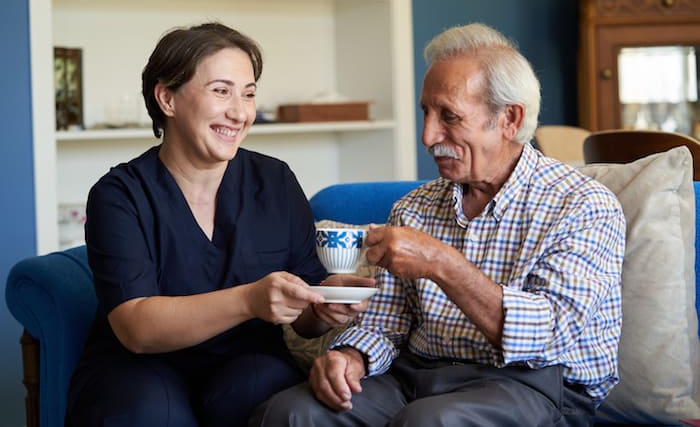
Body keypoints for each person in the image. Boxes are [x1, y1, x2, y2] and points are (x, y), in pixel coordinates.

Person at [250, 23, 626, 427]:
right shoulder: (414, 208)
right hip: (417, 373)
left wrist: (442, 263)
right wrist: (350, 356)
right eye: (426, 113)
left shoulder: (583, 206)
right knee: (290, 413)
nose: (428, 136)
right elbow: (385, 323)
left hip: (534, 384)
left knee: (430, 422)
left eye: (449, 116)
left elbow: (551, 334)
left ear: (510, 120)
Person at [65, 22, 374, 427]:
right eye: (221, 91)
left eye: (248, 94)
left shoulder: (275, 181)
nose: (240, 112)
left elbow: (304, 315)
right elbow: (136, 327)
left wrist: (326, 304)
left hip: (246, 362)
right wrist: (249, 300)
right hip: (139, 366)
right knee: (153, 410)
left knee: (272, 394)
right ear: (167, 98)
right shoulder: (119, 195)